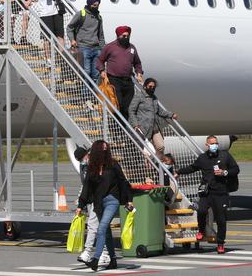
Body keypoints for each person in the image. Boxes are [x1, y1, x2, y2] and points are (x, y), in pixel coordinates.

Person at [175, 135, 240, 254]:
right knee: (201, 211)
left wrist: (225, 172)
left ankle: (220, 243)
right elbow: (192, 168)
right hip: (207, 192)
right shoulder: (202, 158)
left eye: (216, 143)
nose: (214, 145)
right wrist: (178, 171)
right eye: (212, 143)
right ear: (207, 145)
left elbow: (236, 169)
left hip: (221, 192)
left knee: (221, 219)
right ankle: (201, 231)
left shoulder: (225, 156)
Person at [76, 140, 133, 271]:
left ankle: (95, 260)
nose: (105, 151)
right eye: (103, 149)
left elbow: (123, 181)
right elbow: (87, 188)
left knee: (101, 228)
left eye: (106, 149)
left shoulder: (113, 165)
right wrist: (80, 205)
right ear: (96, 151)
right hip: (98, 203)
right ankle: (113, 260)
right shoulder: (92, 168)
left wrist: (129, 199)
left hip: (112, 200)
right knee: (106, 231)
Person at [96, 26, 143, 120]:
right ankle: (115, 128)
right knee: (118, 104)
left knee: (128, 106)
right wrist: (101, 70)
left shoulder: (132, 47)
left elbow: (137, 63)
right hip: (114, 80)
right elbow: (100, 60)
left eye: (128, 36)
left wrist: (139, 73)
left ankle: (123, 129)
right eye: (124, 36)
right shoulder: (110, 47)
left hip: (128, 81)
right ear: (118, 36)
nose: (126, 38)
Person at [73, 147, 110, 266]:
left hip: (99, 199)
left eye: (82, 159)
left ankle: (89, 252)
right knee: (99, 227)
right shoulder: (83, 166)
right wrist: (80, 200)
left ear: (87, 155)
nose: (81, 161)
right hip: (90, 200)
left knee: (93, 226)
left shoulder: (97, 164)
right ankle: (104, 253)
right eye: (79, 160)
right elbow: (85, 185)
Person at [129, 77, 178, 157]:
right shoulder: (139, 96)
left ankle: (157, 162)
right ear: (145, 86)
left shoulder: (154, 98)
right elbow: (131, 110)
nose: (152, 88)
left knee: (160, 146)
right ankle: (150, 164)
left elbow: (160, 111)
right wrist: (135, 123)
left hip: (154, 127)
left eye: (153, 87)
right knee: (145, 150)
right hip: (142, 128)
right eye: (150, 86)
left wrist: (171, 115)